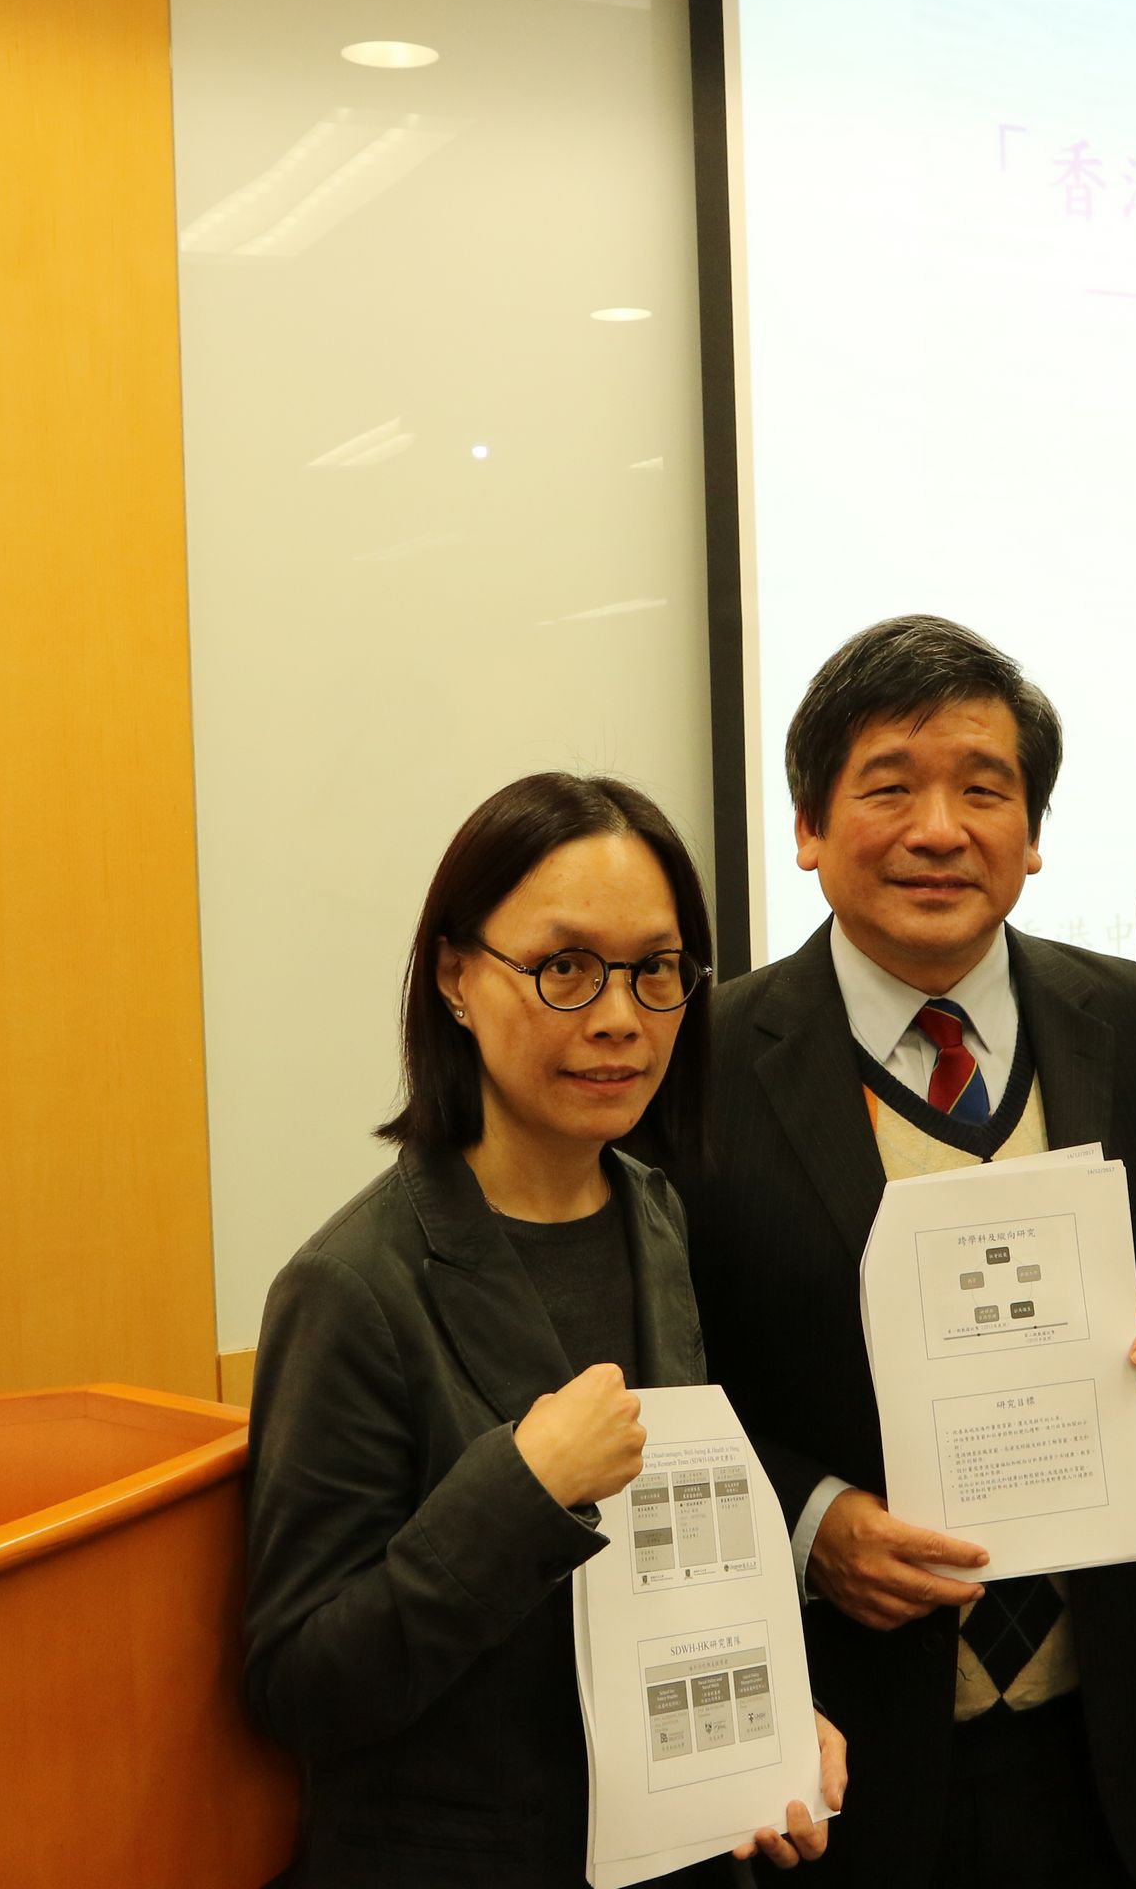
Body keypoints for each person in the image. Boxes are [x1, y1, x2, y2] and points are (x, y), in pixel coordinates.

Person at [675, 616, 1136, 1889]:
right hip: (841, 1735)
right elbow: (661, 1380)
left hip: (1104, 1724)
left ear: (1031, 837)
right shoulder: (696, 1068)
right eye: (888, 786)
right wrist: (810, 1520)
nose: (940, 828)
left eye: (984, 789)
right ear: (810, 828)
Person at [240, 772, 844, 1889]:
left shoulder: (653, 1213)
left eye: (655, 969)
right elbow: (301, 1682)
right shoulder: (351, 1284)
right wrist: (516, 1489)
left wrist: (765, 1718)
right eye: (565, 966)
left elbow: (665, 1574)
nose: (618, 1014)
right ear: (457, 976)